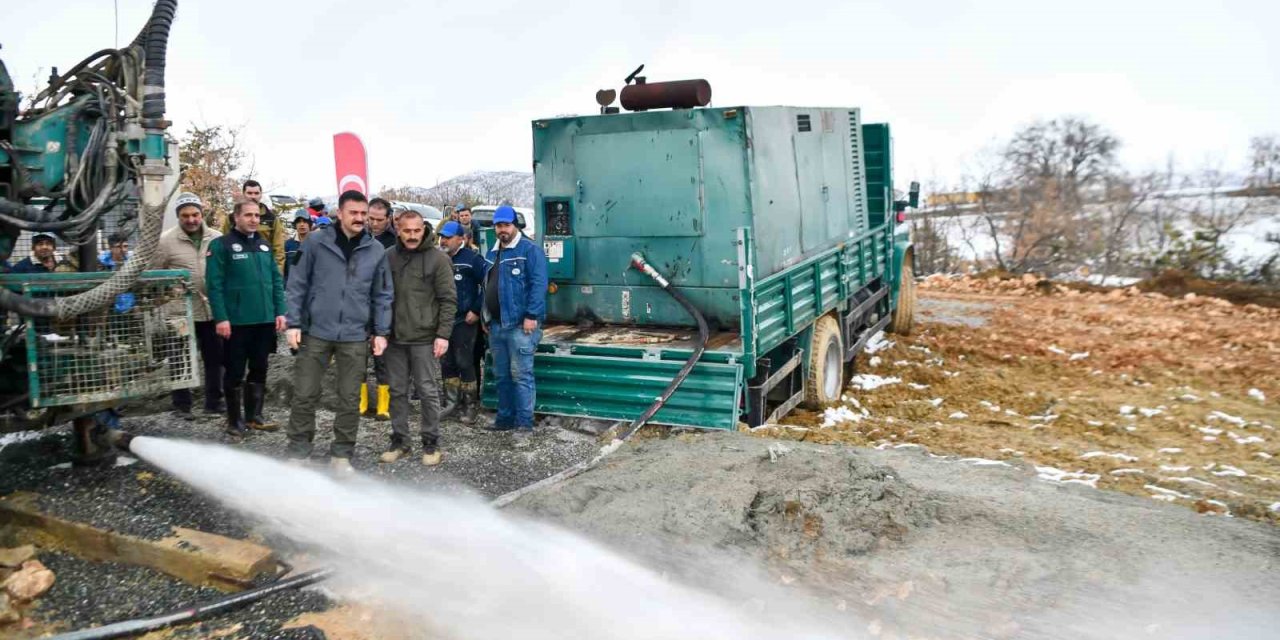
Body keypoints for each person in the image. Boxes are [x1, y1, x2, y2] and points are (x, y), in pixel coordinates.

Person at [285, 190, 393, 472]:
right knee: (306, 392)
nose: (360, 219)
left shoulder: (375, 250)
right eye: (353, 213)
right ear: (340, 213)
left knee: (349, 398)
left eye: (363, 214)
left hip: (355, 335)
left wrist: (381, 331)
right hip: (316, 331)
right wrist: (293, 323)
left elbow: (383, 294)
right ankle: (299, 451)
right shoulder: (315, 243)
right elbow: (297, 284)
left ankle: (341, 456)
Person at [379, 210, 456, 465]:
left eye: (417, 230)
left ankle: (431, 442)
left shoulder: (438, 259)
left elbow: (448, 300)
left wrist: (443, 335)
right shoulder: (388, 257)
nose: (412, 236)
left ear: (424, 229)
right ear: (398, 230)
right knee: (397, 391)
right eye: (407, 230)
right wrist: (379, 331)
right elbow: (379, 297)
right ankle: (400, 441)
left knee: (427, 391)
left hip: (425, 338)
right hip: (395, 338)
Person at [206, 199, 287, 437]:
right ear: (236, 218)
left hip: (263, 321)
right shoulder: (222, 246)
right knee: (234, 372)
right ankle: (234, 420)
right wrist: (221, 318)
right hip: (237, 322)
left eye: (256, 216)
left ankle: (254, 416)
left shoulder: (263, 246)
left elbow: (275, 282)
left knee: (260, 368)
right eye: (248, 215)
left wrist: (280, 311)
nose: (254, 220)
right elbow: (215, 285)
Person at [155, 192, 226, 418]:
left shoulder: (217, 238)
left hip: (211, 310)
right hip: (180, 311)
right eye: (185, 215)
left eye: (195, 214)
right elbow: (154, 274)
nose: (191, 220)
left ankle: (214, 403)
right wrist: (168, 289)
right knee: (180, 357)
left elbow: (226, 271)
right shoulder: (165, 241)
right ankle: (181, 405)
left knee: (215, 358)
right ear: (178, 216)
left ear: (201, 213)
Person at [483, 205, 548, 432]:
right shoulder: (492, 252)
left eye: (506, 225)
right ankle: (504, 420)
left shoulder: (530, 250)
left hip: (521, 326)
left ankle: (524, 424)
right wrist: (486, 316)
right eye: (498, 226)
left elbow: (539, 285)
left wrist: (532, 315)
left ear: (515, 225)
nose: (502, 230)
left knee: (521, 376)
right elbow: (487, 285)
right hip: (496, 325)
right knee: (501, 377)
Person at [438, 221, 488, 423]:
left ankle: (470, 405)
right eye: (442, 236)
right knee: (446, 362)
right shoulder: (437, 259)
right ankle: (451, 403)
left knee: (464, 362)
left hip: (464, 320)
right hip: (443, 320)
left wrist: (476, 309)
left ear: (461, 239)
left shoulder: (471, 259)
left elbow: (488, 283)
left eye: (448, 237)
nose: (444, 241)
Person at [359, 198, 396, 420]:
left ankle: (384, 404)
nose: (374, 223)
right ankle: (361, 403)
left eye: (379, 219)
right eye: (370, 218)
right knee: (358, 359)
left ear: (388, 218)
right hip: (361, 306)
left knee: (383, 360)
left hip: (385, 305)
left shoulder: (395, 241)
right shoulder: (359, 239)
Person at [223, 180, 287, 274]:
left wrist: (276, 276)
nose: (253, 196)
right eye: (249, 193)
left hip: (264, 269)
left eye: (256, 193)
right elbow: (224, 245)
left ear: (261, 194)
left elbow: (279, 251)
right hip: (239, 269)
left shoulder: (271, 219)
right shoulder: (232, 218)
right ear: (243, 194)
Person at [284, 215, 312, 282]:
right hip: (293, 287)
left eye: (305, 222)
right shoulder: (288, 245)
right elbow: (284, 270)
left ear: (309, 224)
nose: (302, 224)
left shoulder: (317, 243)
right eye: (299, 222)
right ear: (295, 225)